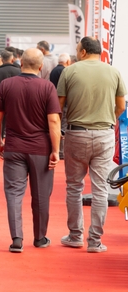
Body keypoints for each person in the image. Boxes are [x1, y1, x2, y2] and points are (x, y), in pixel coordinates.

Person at [57, 37, 126, 253]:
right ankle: (95, 241)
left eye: (78, 50)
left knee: (74, 187)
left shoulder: (69, 72)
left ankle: (75, 235)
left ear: (84, 52)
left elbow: (59, 106)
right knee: (100, 189)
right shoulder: (113, 72)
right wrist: (108, 119)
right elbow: (121, 106)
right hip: (104, 134)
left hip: (76, 134)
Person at [0, 48, 61, 253]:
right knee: (41, 195)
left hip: (14, 146)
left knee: (13, 194)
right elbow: (54, 121)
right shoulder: (47, 87)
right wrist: (56, 150)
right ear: (41, 67)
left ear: (21, 63)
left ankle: (16, 238)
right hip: (40, 148)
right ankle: (39, 237)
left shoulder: (6, 85)